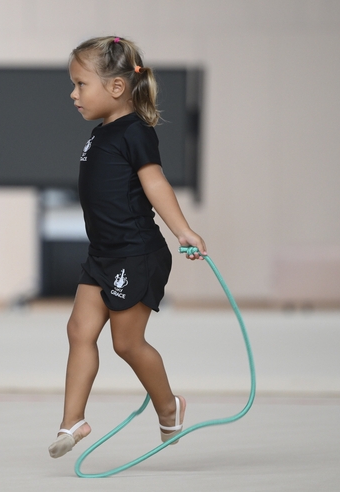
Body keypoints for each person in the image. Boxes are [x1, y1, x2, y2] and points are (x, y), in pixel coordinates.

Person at [48, 36, 207, 459]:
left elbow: (155, 183)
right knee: (78, 331)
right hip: (103, 254)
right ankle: (73, 420)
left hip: (136, 253)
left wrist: (183, 231)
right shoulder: (100, 134)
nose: (73, 94)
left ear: (116, 88)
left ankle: (170, 407)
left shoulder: (134, 132)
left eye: (81, 84)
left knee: (126, 343)